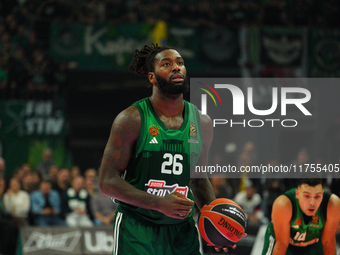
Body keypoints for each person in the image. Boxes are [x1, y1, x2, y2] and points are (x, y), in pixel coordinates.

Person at [98, 44, 236, 254]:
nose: (176, 67)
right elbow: (106, 182)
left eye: (180, 63)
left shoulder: (203, 123)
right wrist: (158, 203)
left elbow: (198, 180)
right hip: (137, 228)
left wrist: (218, 223)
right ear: (152, 77)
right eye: (167, 64)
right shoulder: (131, 119)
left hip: (182, 231)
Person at [261, 178, 340, 255]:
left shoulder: (332, 204)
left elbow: (328, 243)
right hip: (284, 242)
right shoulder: (283, 205)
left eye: (317, 197)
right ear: (297, 194)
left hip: (314, 243)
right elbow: (281, 245)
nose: (312, 203)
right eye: (307, 196)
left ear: (322, 195)